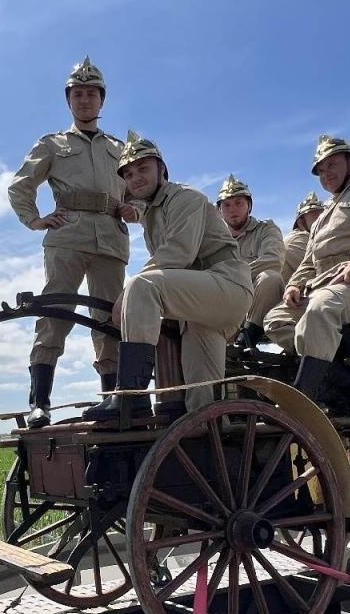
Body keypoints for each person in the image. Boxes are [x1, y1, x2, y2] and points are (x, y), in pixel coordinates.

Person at [82, 132, 252, 426]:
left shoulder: (187, 198)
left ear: (162, 169)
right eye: (129, 173)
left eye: (143, 169)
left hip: (227, 287)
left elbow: (177, 254)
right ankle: (217, 454)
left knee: (142, 286)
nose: (135, 177)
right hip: (199, 310)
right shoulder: (150, 215)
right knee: (199, 401)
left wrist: (127, 295)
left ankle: (131, 395)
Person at [6, 57, 129, 428]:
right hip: (67, 236)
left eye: (92, 93)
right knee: (54, 312)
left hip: (110, 238)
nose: (85, 100)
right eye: (78, 94)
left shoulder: (121, 147)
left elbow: (141, 187)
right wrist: (35, 220)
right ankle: (39, 403)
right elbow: (20, 185)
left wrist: (133, 208)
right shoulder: (52, 144)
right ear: (69, 100)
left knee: (110, 318)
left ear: (102, 101)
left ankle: (112, 401)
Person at [263, 134, 350, 411]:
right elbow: (309, 258)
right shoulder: (326, 211)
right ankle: (338, 377)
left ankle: (303, 399)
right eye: (321, 170)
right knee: (275, 320)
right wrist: (294, 285)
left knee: (319, 311)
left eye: (332, 165)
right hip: (325, 281)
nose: (326, 174)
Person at [215, 175, 286, 348]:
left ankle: (246, 339)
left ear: (249, 206)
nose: (233, 209)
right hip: (223, 299)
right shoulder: (214, 239)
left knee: (271, 278)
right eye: (227, 205)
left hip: (254, 298)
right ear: (219, 210)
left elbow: (274, 260)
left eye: (239, 203)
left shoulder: (266, 229)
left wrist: (233, 277)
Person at [284, 190, 326, 281]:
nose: (321, 219)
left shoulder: (312, 239)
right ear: (301, 222)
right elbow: (322, 272)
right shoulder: (297, 240)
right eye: (315, 215)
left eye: (322, 214)